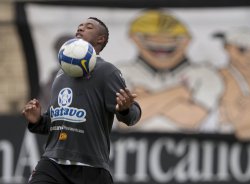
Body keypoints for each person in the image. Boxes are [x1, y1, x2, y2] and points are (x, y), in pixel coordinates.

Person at [22, 17, 142, 184]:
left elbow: (133, 116)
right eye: (79, 26)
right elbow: (57, 123)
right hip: (52, 163)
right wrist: (38, 120)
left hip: (91, 168)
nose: (80, 28)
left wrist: (125, 109)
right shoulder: (60, 74)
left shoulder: (107, 72)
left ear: (101, 39)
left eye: (88, 27)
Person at [116, 9, 223, 132]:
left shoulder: (205, 74)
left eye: (173, 38)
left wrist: (143, 99)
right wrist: (178, 92)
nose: (161, 43)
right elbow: (125, 120)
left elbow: (191, 119)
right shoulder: (120, 73)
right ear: (134, 39)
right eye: (148, 37)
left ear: (187, 41)